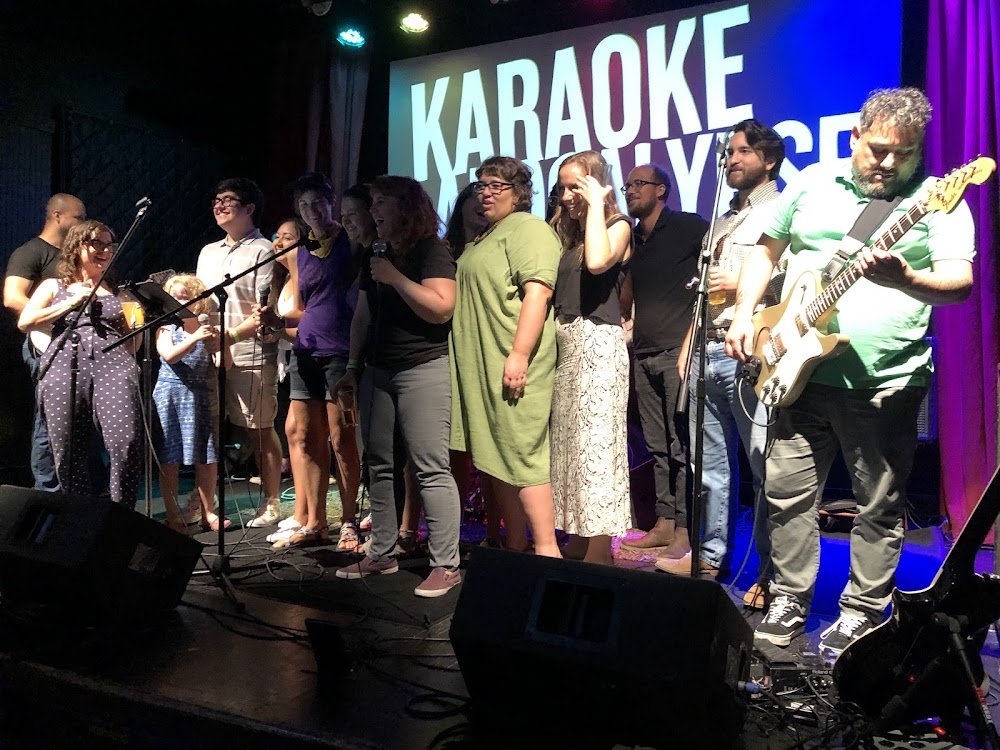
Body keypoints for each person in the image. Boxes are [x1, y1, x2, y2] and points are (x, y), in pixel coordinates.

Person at [726, 88, 976, 654]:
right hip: (796, 374)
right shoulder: (813, 183)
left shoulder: (937, 199)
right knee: (784, 495)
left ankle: (863, 612)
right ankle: (788, 598)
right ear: (854, 136)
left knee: (878, 507)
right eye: (878, 150)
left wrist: (906, 279)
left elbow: (959, 283)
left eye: (904, 154)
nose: (888, 163)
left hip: (884, 381)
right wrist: (744, 313)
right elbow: (766, 250)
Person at [658, 119, 784, 591]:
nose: (731, 159)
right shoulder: (723, 218)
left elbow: (798, 277)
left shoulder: (781, 210)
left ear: (768, 160)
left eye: (742, 151)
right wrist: (688, 343)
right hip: (707, 347)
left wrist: (745, 283)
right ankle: (709, 558)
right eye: (729, 152)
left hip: (750, 349)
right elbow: (703, 293)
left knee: (764, 465)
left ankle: (773, 576)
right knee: (707, 466)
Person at [334, 175, 463, 597]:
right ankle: (382, 552)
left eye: (381, 203)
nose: (373, 211)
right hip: (377, 371)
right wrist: (352, 367)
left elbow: (442, 309)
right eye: (372, 203)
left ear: (406, 206)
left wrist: (395, 278)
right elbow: (363, 315)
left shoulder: (431, 250)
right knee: (379, 464)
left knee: (430, 467)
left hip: (422, 367)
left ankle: (446, 564)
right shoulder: (377, 252)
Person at [450, 156, 562, 558]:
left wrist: (519, 354)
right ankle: (516, 547)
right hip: (481, 366)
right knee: (496, 456)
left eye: (497, 185)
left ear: (520, 193)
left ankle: (547, 553)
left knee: (522, 455)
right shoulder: (487, 235)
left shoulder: (528, 229)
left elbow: (539, 292)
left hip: (510, 363)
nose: (486, 193)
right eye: (481, 185)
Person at [618, 165, 707, 561]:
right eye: (628, 185)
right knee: (656, 447)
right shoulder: (632, 238)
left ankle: (687, 530)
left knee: (681, 444)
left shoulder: (688, 226)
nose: (630, 190)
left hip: (678, 352)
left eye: (639, 184)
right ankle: (665, 523)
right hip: (643, 352)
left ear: (661, 190)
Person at [18, 220, 142, 506]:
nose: (104, 250)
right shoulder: (54, 286)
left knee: (125, 442)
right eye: (97, 243)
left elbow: (133, 340)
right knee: (67, 450)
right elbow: (25, 321)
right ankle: (80, 516)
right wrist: (70, 303)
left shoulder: (118, 292)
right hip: (64, 363)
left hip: (113, 365)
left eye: (109, 245)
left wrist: (134, 332)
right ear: (76, 246)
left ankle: (121, 514)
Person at [548, 150, 632, 565]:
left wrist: (597, 203)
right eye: (563, 187)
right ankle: (579, 536)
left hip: (598, 345)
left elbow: (598, 263)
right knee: (569, 448)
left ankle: (600, 548)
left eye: (576, 186)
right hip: (568, 346)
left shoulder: (618, 226)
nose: (567, 196)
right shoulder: (571, 237)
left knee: (596, 447)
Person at [270, 174, 362, 549]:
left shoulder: (350, 240)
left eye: (317, 203)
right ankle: (315, 522)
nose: (312, 211)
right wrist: (276, 323)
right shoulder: (298, 251)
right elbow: (299, 306)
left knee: (342, 439)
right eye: (304, 205)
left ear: (331, 201)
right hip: (305, 351)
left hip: (341, 350)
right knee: (307, 438)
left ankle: (350, 521)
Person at [196, 177, 284, 528]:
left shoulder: (263, 250)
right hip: (209, 351)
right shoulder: (208, 252)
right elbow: (201, 302)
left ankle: (271, 500)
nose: (219, 205)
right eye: (216, 200)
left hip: (249, 350)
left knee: (258, 428)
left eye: (228, 200)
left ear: (249, 208)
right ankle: (205, 500)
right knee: (207, 429)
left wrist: (230, 338)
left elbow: (264, 308)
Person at [4, 193, 87, 491]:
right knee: (49, 418)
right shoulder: (31, 252)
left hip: (77, 347)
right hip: (46, 345)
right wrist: (52, 317)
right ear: (57, 216)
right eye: (78, 217)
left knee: (76, 418)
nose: (83, 223)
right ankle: (47, 490)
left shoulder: (75, 257)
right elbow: (12, 297)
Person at [152, 274, 226, 533]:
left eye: (186, 297)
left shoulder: (208, 328)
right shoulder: (166, 328)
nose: (180, 302)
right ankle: (173, 515)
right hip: (170, 395)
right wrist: (195, 339)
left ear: (199, 300)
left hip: (200, 394)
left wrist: (219, 344)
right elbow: (170, 356)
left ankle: (208, 513)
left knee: (206, 455)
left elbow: (223, 364)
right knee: (170, 457)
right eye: (175, 297)